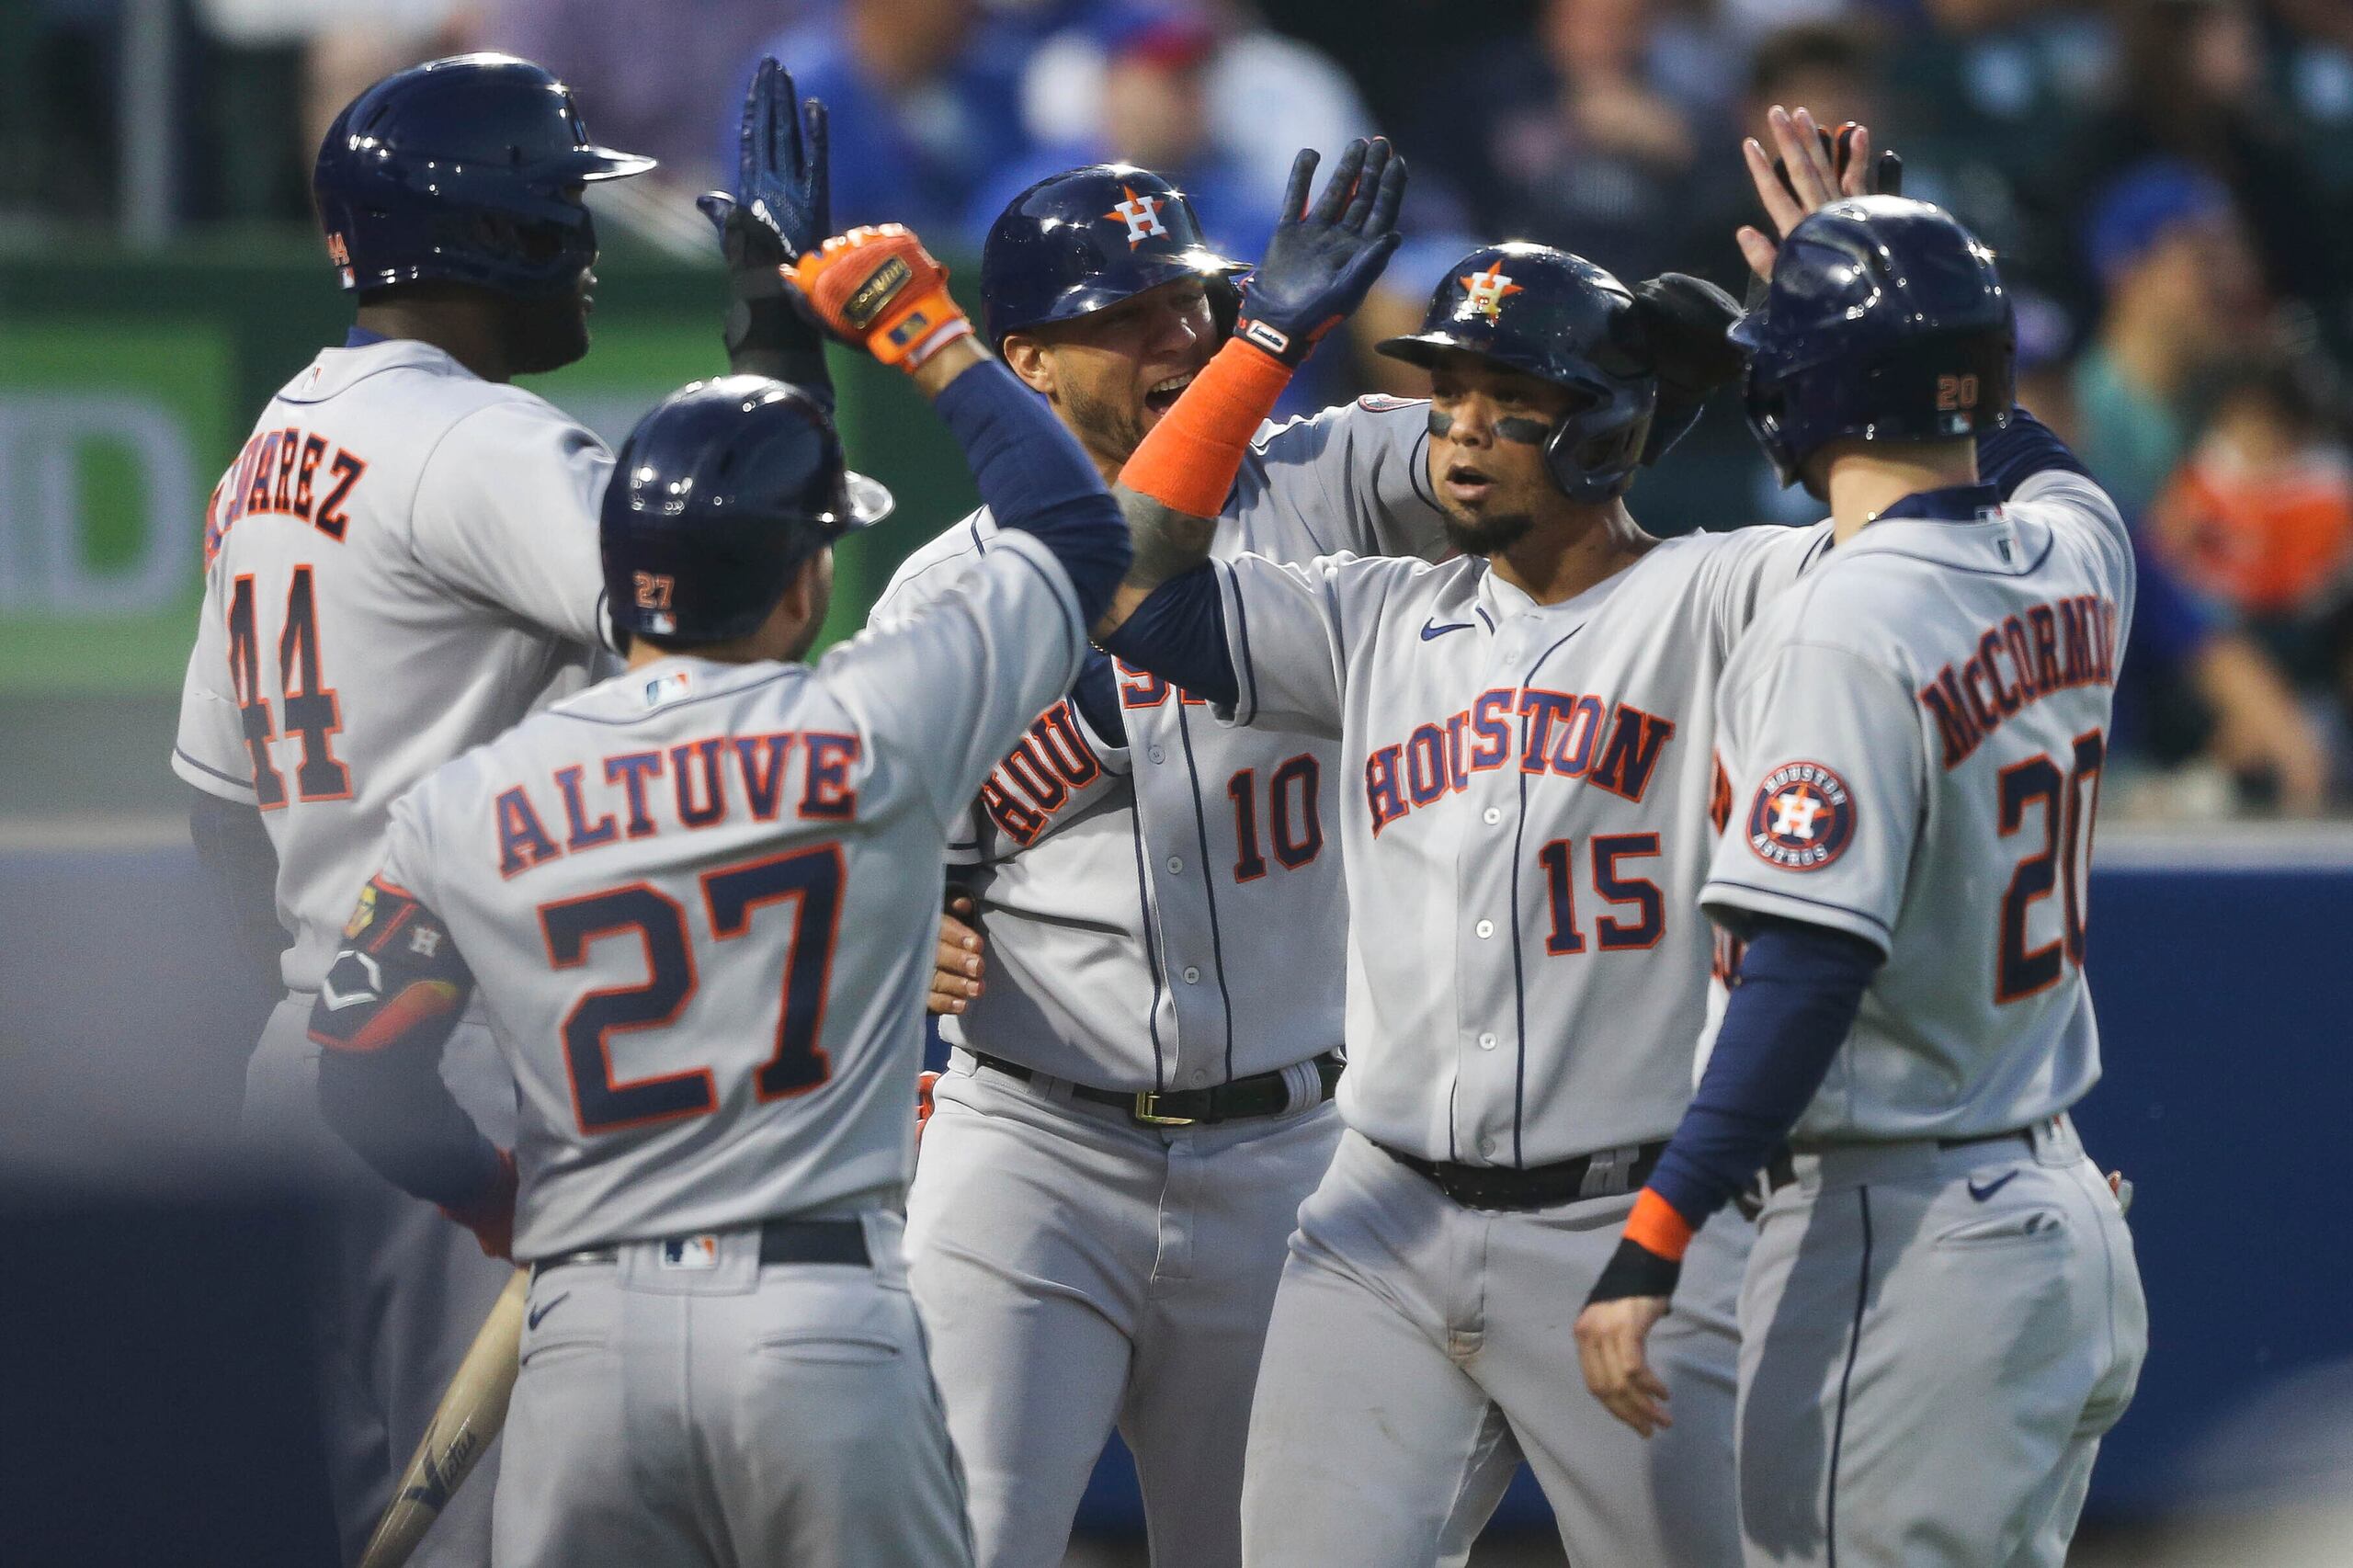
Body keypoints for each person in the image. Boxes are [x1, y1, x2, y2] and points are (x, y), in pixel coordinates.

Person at [1087, 105, 1898, 1568]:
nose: (1458, 433)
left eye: (1506, 401)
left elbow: (1918, 565)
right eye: (1448, 397)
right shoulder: (1370, 615)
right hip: (1374, 1223)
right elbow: (1131, 572)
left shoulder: (1723, 596)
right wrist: (1259, 347)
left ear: (1603, 423)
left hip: (1629, 1228)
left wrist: (1842, 342)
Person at [303, 213, 1131, 1564]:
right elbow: (1073, 530)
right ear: (805, 584)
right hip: (819, 1330)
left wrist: (494, 1197)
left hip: (583, 1339)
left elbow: (361, 1073)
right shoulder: (875, 729)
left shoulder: (466, 803)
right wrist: (929, 338)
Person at [878, 143, 1461, 1568]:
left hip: (1294, 1155)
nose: (1179, 338)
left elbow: (1511, 451)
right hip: (1032, 1147)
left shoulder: (1331, 478)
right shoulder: (946, 593)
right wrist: (905, 923)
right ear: (1023, 360)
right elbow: (848, 859)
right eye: (1126, 316)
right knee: (959, 1541)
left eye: (1194, 302)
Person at [1574, 193, 2148, 1568]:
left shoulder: (1841, 618)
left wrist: (1658, 1228)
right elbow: (2026, 444)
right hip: (2061, 1217)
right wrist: (1888, 294)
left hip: (1903, 1240)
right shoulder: (2080, 555)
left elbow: (1807, 970)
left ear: (1804, 390)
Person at [170, 53, 658, 1565]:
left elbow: (216, 810)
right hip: (475, 1075)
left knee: (341, 1520)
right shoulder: (482, 442)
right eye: (564, 206)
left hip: (316, 1065)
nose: (586, 246)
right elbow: (709, 629)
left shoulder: (273, 444)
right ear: (493, 236)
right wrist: (781, 358)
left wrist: (325, 1002)